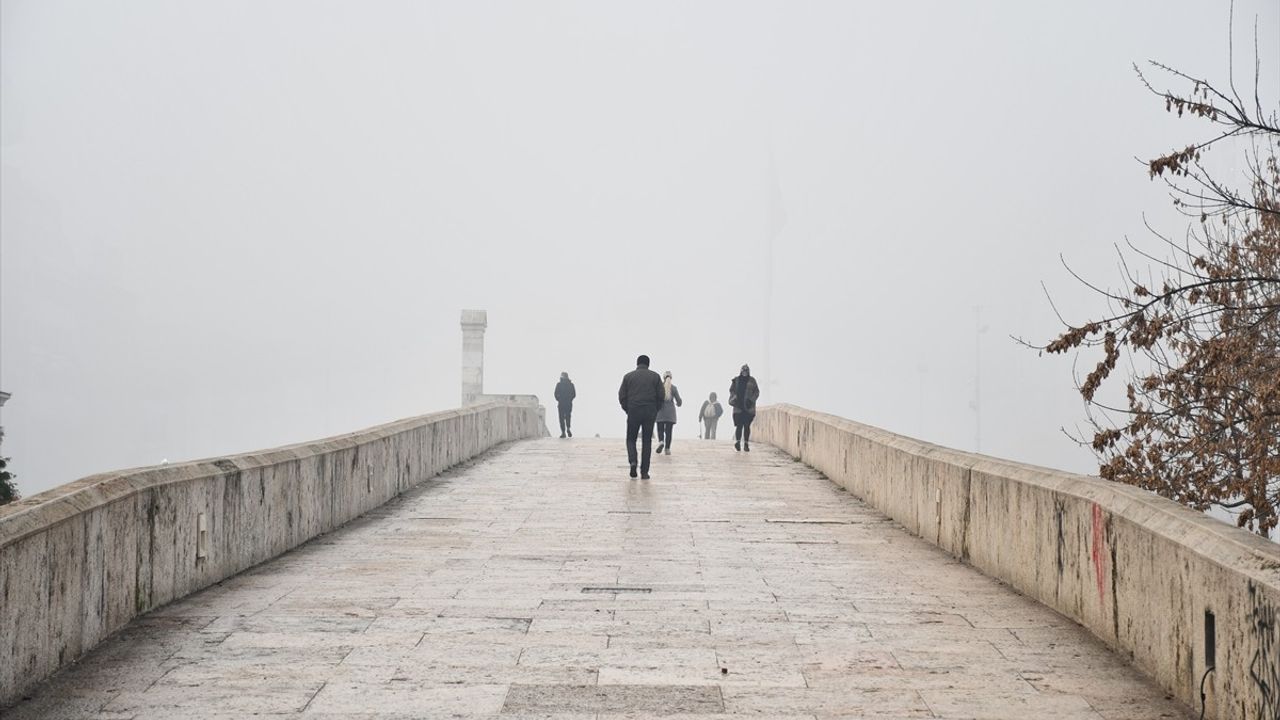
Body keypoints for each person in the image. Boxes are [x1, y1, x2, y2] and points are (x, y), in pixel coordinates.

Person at [618, 354, 664, 479]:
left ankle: (633, 461)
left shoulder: (628, 377)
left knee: (631, 439)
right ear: (648, 364)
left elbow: (622, 395)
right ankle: (644, 472)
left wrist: (627, 408)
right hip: (649, 411)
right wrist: (655, 409)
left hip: (634, 410)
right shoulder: (655, 377)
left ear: (637, 363)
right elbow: (661, 396)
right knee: (647, 441)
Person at [729, 364, 760, 452]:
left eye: (746, 371)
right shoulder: (736, 380)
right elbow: (731, 390)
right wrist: (734, 398)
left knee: (746, 426)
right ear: (741, 371)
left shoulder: (752, 381)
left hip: (748, 408)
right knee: (739, 426)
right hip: (738, 407)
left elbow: (756, 392)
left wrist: (751, 400)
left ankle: (746, 444)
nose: (745, 372)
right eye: (743, 371)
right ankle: (738, 442)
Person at [654, 371, 682, 455]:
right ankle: (667, 449)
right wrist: (678, 403)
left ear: (663, 378)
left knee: (660, 429)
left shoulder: (658, 387)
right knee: (669, 431)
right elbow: (679, 401)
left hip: (660, 411)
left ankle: (661, 441)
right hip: (670, 412)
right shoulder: (673, 388)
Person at [553, 372, 576, 438]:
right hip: (568, 404)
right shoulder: (571, 385)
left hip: (561, 404)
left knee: (561, 418)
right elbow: (574, 394)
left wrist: (559, 399)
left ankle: (563, 432)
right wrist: (570, 399)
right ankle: (568, 428)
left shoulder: (559, 384)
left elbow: (555, 393)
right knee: (568, 416)